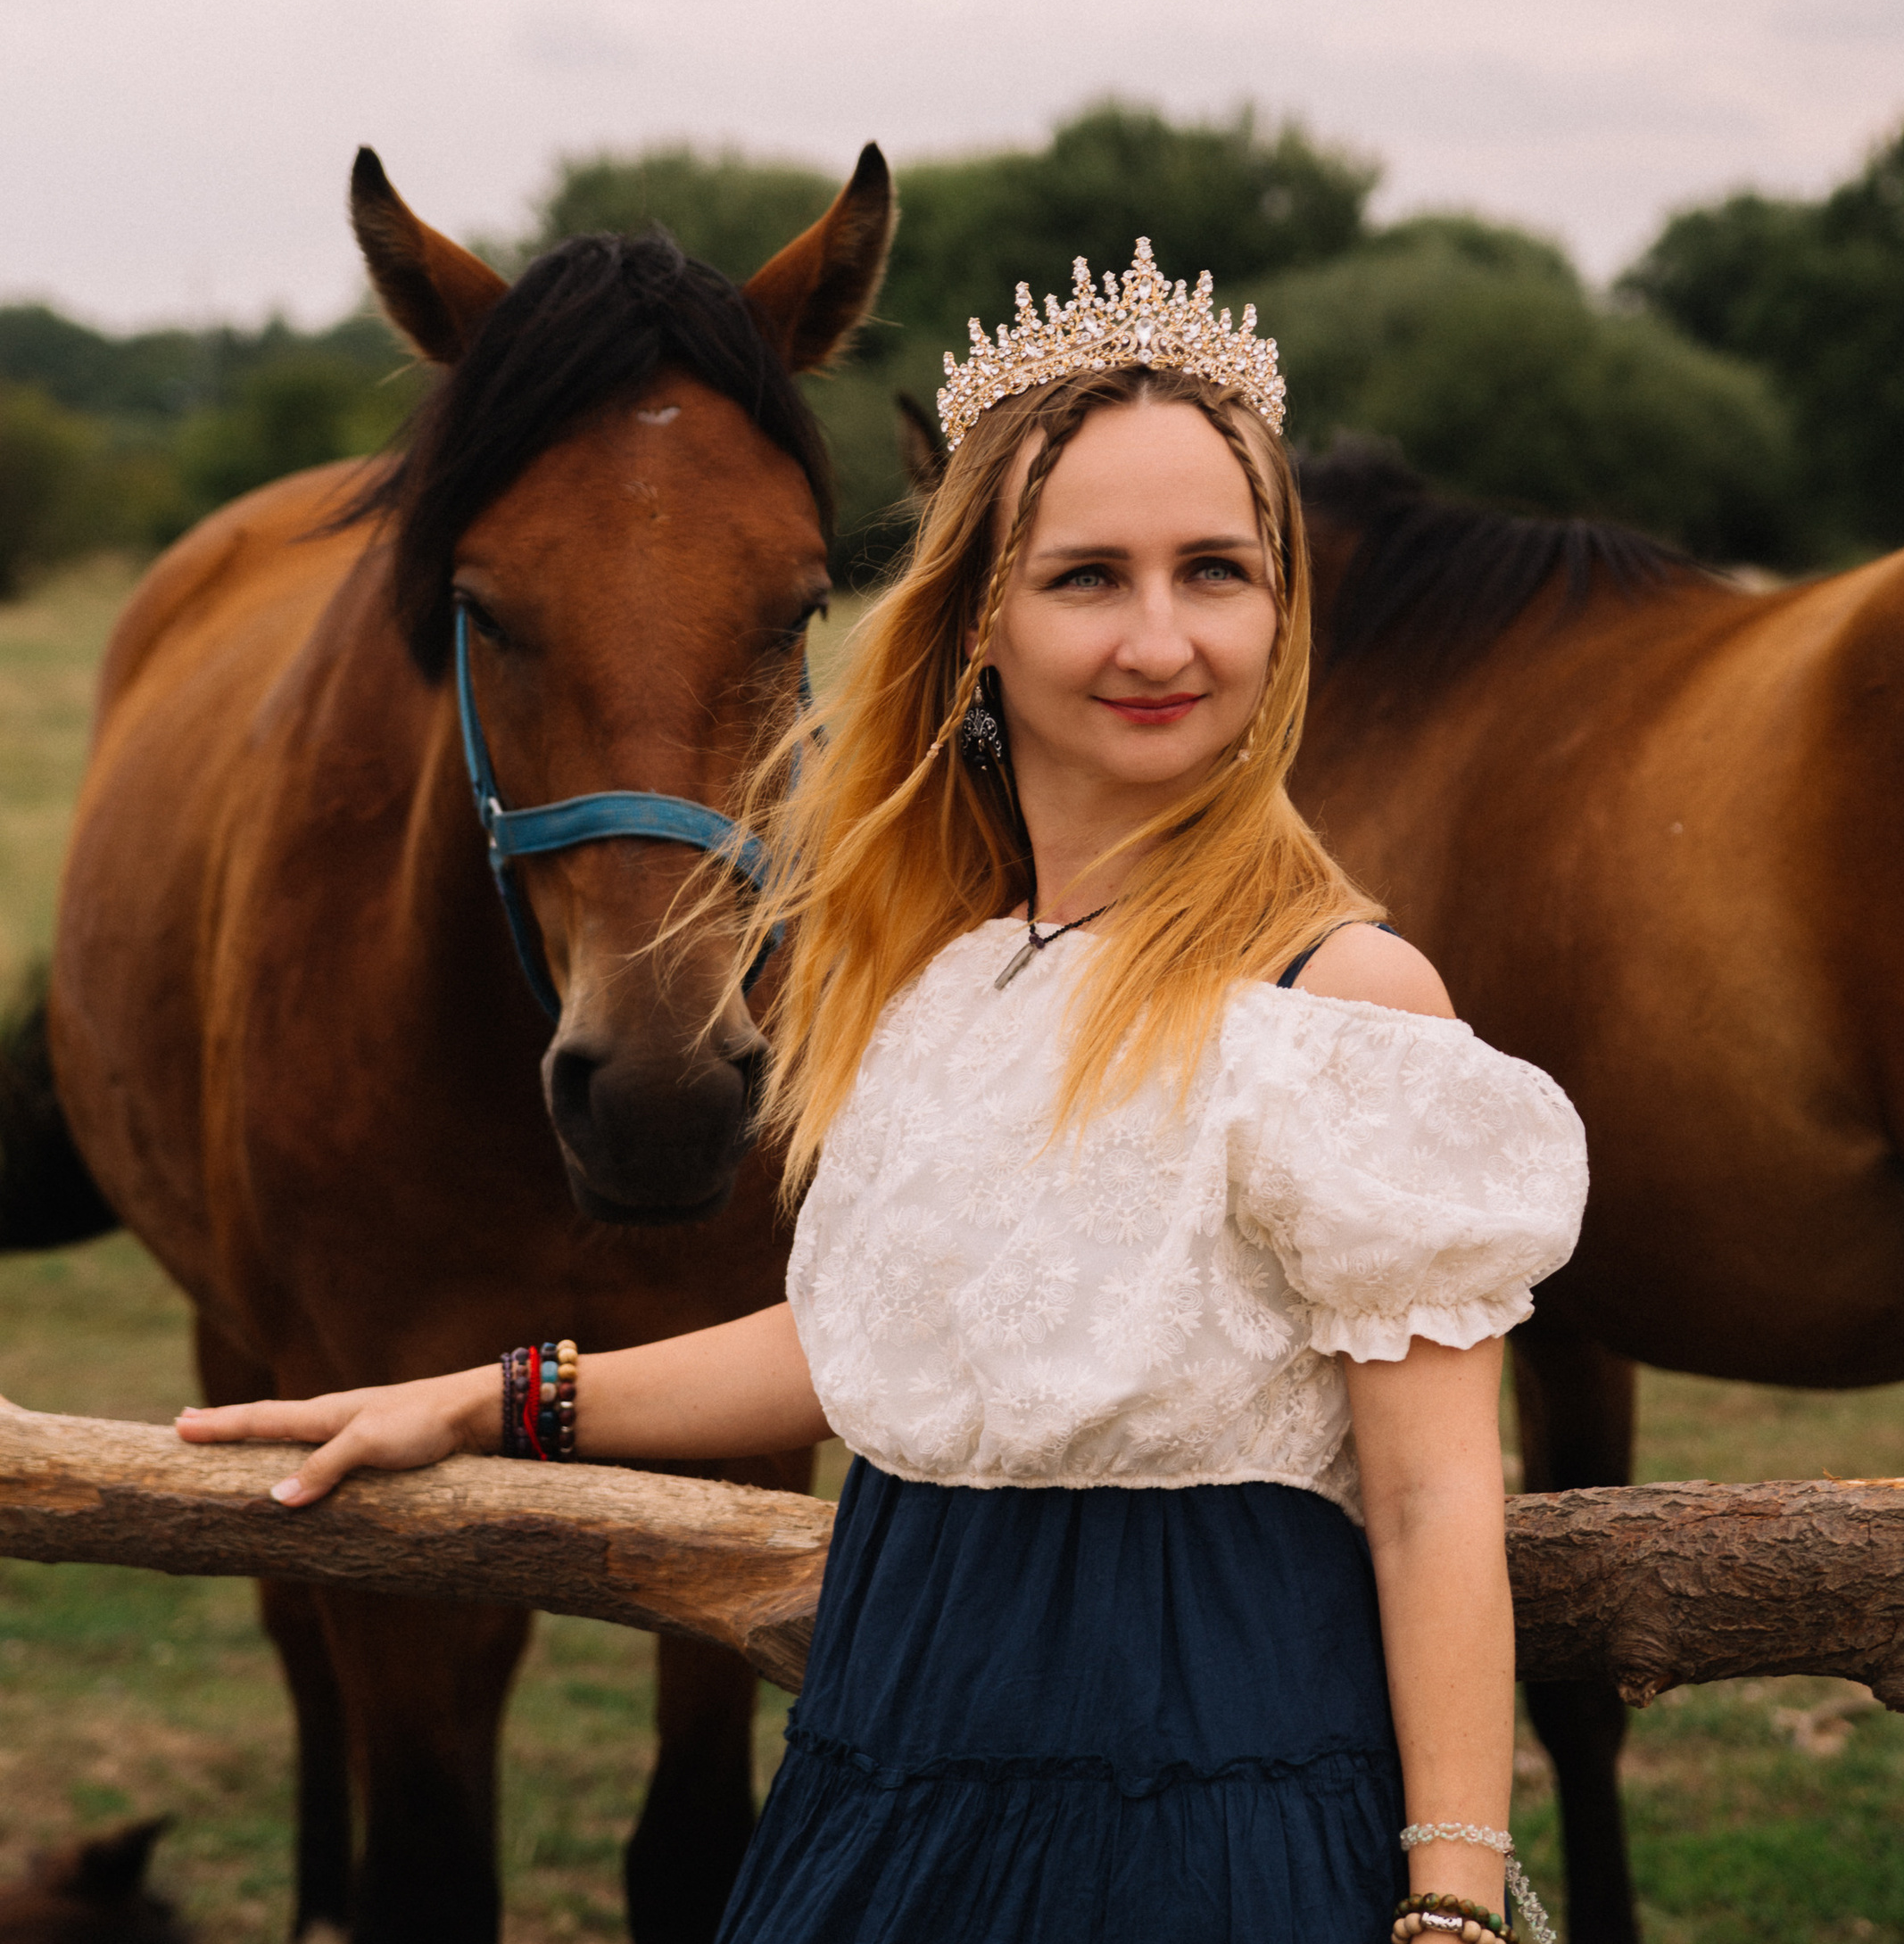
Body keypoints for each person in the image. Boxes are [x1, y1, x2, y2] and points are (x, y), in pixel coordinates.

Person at [177, 242, 1590, 1944]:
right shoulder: (935, 974)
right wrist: (488, 1401)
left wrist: (1450, 1899)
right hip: (889, 1780)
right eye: (1089, 579)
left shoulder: (1340, 1003)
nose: (1163, 638)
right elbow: (864, 1340)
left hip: (1205, 1799)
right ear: (980, 614)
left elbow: (1439, 1501)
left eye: (1218, 569)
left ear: (1281, 607)